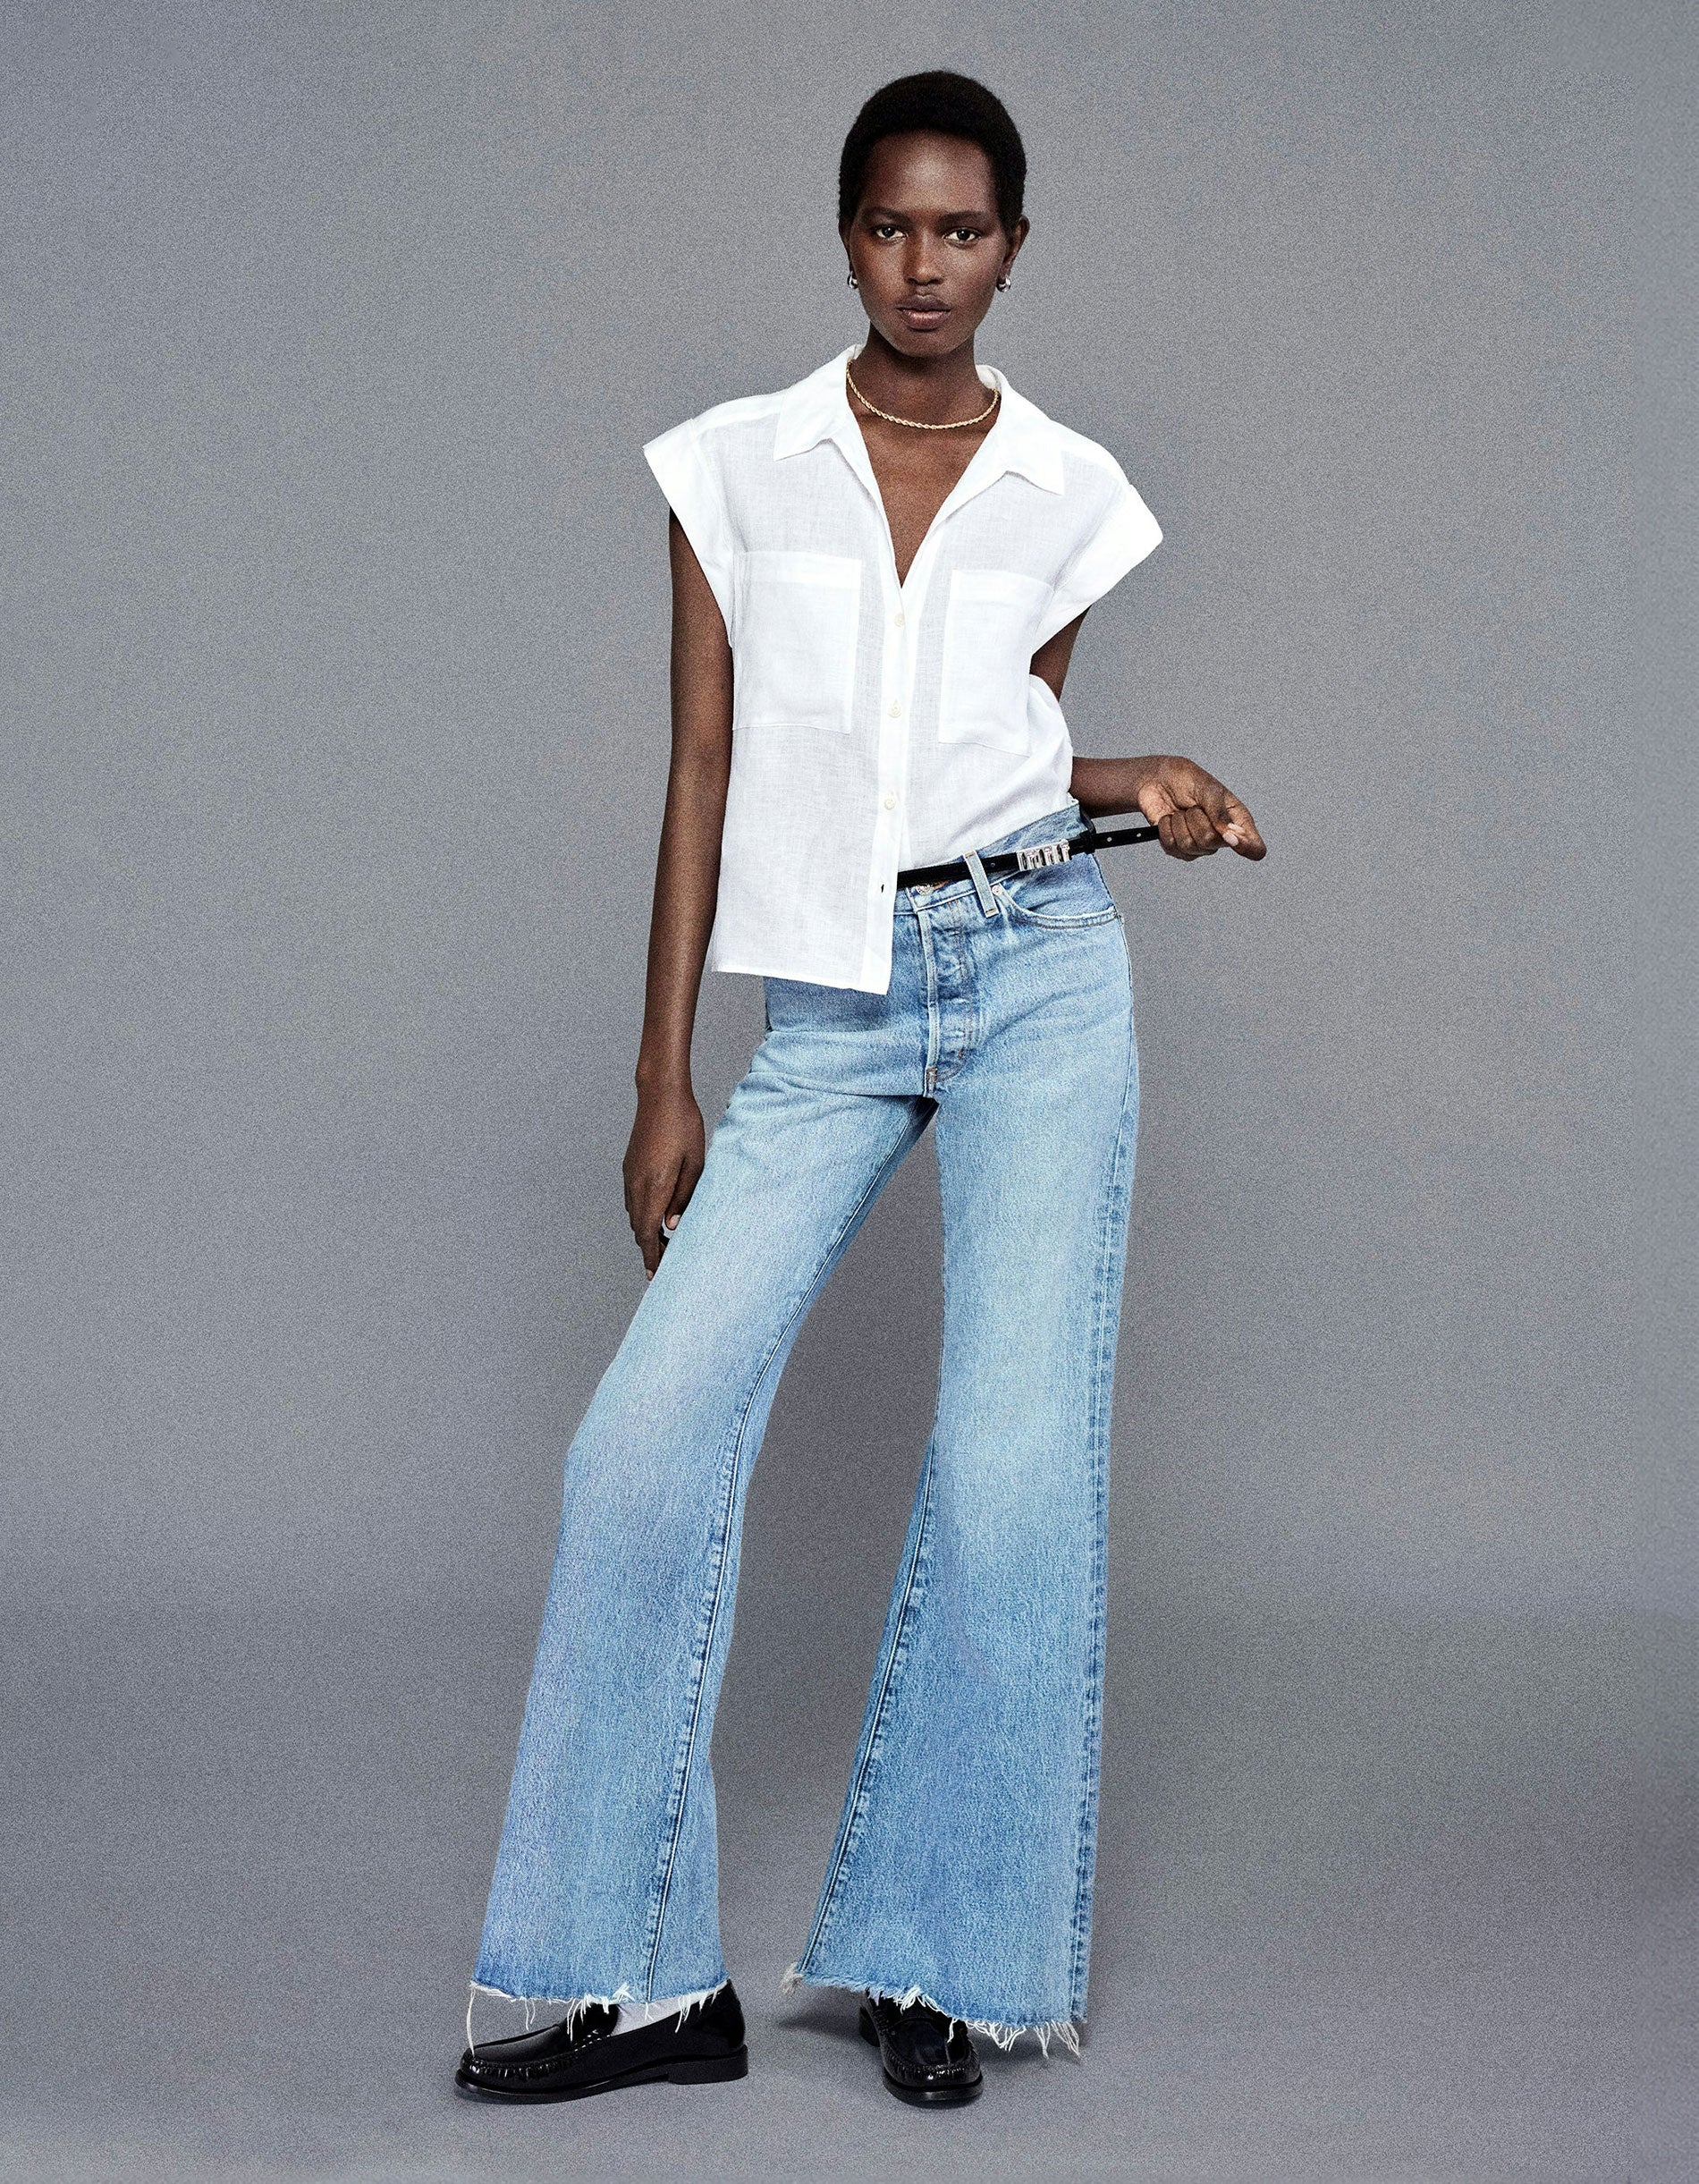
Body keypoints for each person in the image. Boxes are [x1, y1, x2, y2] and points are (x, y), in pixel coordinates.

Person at [454, 69, 1265, 2111]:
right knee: (638, 1452)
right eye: (892, 228)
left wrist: (1137, 778)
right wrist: (662, 1071)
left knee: (1011, 1476)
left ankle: (936, 1958)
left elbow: (989, 753)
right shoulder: (732, 467)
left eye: (963, 231)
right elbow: (708, 769)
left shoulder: (1069, 490)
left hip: (1037, 979)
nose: (925, 265)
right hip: (823, 1008)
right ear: (843, 237)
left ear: (1013, 248)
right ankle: (636, 1983)